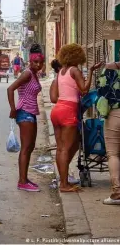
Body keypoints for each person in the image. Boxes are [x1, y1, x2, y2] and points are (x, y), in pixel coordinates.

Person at [50, 44, 101, 192]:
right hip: (68, 111)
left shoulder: (61, 72)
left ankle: (63, 182)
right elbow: (84, 90)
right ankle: (64, 184)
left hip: (57, 110)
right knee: (66, 149)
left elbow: (59, 94)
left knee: (60, 149)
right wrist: (91, 72)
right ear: (77, 56)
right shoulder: (75, 70)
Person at [7, 44, 44, 192]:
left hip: (31, 113)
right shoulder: (27, 73)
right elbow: (10, 89)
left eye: (40, 62)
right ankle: (22, 181)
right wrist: (12, 109)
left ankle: (25, 178)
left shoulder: (34, 74)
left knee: (30, 147)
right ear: (30, 61)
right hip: (24, 112)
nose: (38, 64)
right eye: (35, 62)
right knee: (26, 148)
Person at [96, 53, 120, 204]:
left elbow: (102, 92)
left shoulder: (110, 68)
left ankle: (117, 193)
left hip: (115, 115)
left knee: (113, 154)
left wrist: (103, 112)